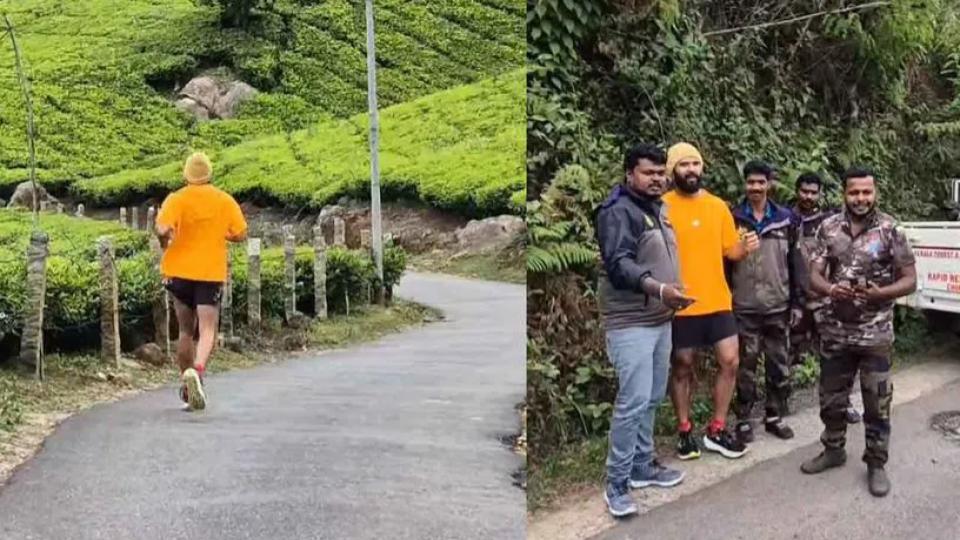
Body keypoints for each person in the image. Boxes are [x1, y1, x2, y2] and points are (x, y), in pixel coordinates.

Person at [800, 166, 916, 497]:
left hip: (875, 335)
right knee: (831, 399)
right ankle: (834, 449)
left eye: (867, 192)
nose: (861, 198)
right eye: (855, 192)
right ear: (844, 194)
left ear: (875, 193)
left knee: (877, 403)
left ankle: (876, 464)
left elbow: (910, 279)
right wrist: (830, 289)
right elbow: (815, 275)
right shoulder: (828, 228)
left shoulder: (891, 229)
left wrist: (880, 293)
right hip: (835, 331)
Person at [595, 144, 694, 517]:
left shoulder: (658, 208)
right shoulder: (617, 211)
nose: (656, 179)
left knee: (652, 396)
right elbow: (619, 264)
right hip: (630, 323)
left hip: (659, 320)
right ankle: (616, 484)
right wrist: (660, 289)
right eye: (648, 173)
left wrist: (669, 294)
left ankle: (641, 465)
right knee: (632, 401)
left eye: (659, 172)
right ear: (629, 174)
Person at [662, 143, 759, 460]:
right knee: (682, 365)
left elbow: (729, 251)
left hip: (718, 299)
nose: (691, 170)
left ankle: (717, 429)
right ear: (672, 170)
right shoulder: (662, 207)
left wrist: (745, 247)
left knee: (730, 360)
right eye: (684, 164)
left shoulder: (718, 207)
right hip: (681, 302)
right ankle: (685, 430)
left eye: (695, 164)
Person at [156, 152, 248, 411]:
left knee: (185, 330)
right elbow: (241, 233)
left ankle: (187, 385)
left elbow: (162, 228)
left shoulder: (176, 199)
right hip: (209, 273)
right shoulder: (223, 200)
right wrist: (221, 233)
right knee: (207, 329)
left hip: (178, 272)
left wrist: (165, 238)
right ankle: (197, 370)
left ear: (186, 175)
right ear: (209, 174)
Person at [728, 161, 802, 443]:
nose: (755, 188)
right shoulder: (733, 218)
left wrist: (797, 303)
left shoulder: (786, 219)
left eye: (761, 182)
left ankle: (774, 415)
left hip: (778, 306)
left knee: (778, 364)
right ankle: (744, 419)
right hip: (744, 306)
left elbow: (797, 265)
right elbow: (724, 264)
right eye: (751, 182)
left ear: (770, 184)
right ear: (744, 184)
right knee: (744, 365)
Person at [791, 172, 862, 425]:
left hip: (826, 300)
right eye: (804, 191)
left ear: (820, 194)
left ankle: (845, 404)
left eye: (813, 192)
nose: (808, 196)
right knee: (787, 356)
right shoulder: (787, 220)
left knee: (837, 355)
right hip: (795, 301)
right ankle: (778, 412)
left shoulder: (830, 222)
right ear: (796, 191)